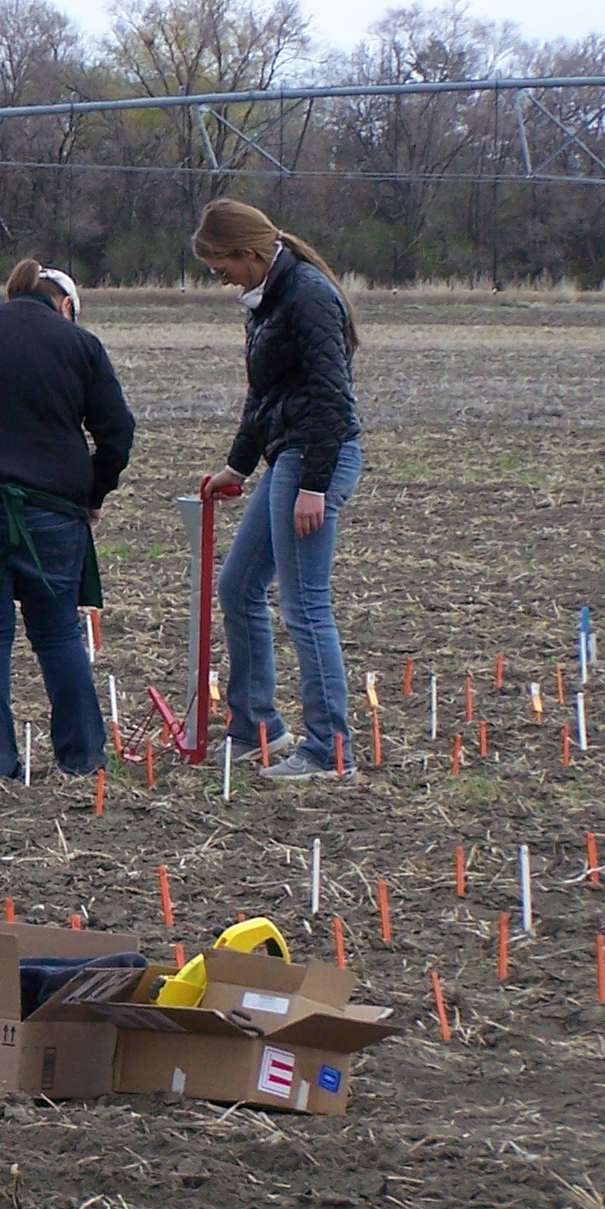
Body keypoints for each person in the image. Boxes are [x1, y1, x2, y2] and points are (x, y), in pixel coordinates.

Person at [0, 259, 134, 780]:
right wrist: (93, 493)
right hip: (53, 512)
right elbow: (118, 432)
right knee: (57, 634)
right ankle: (83, 762)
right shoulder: (81, 345)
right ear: (65, 305)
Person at [193, 198, 362, 779]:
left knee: (305, 605)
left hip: (316, 457)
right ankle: (255, 728)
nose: (222, 279)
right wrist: (237, 468)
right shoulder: (266, 300)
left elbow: (332, 398)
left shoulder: (308, 295)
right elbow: (263, 395)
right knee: (238, 586)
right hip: (287, 456)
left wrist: (314, 485)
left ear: (249, 252)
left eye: (223, 268)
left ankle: (328, 750)